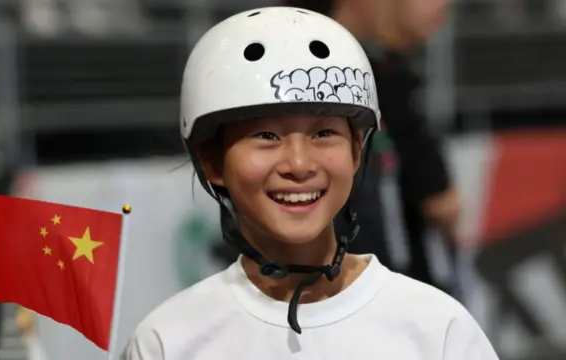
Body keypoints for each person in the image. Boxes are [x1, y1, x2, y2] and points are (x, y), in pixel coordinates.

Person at [126, 7, 497, 360]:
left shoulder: (438, 327)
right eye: (267, 135)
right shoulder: (169, 340)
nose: (299, 164)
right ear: (212, 161)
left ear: (356, 152)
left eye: (323, 133)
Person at [284, 0, 462, 294]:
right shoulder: (363, 81)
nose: (443, 4)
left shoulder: (381, 74)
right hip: (361, 298)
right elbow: (443, 206)